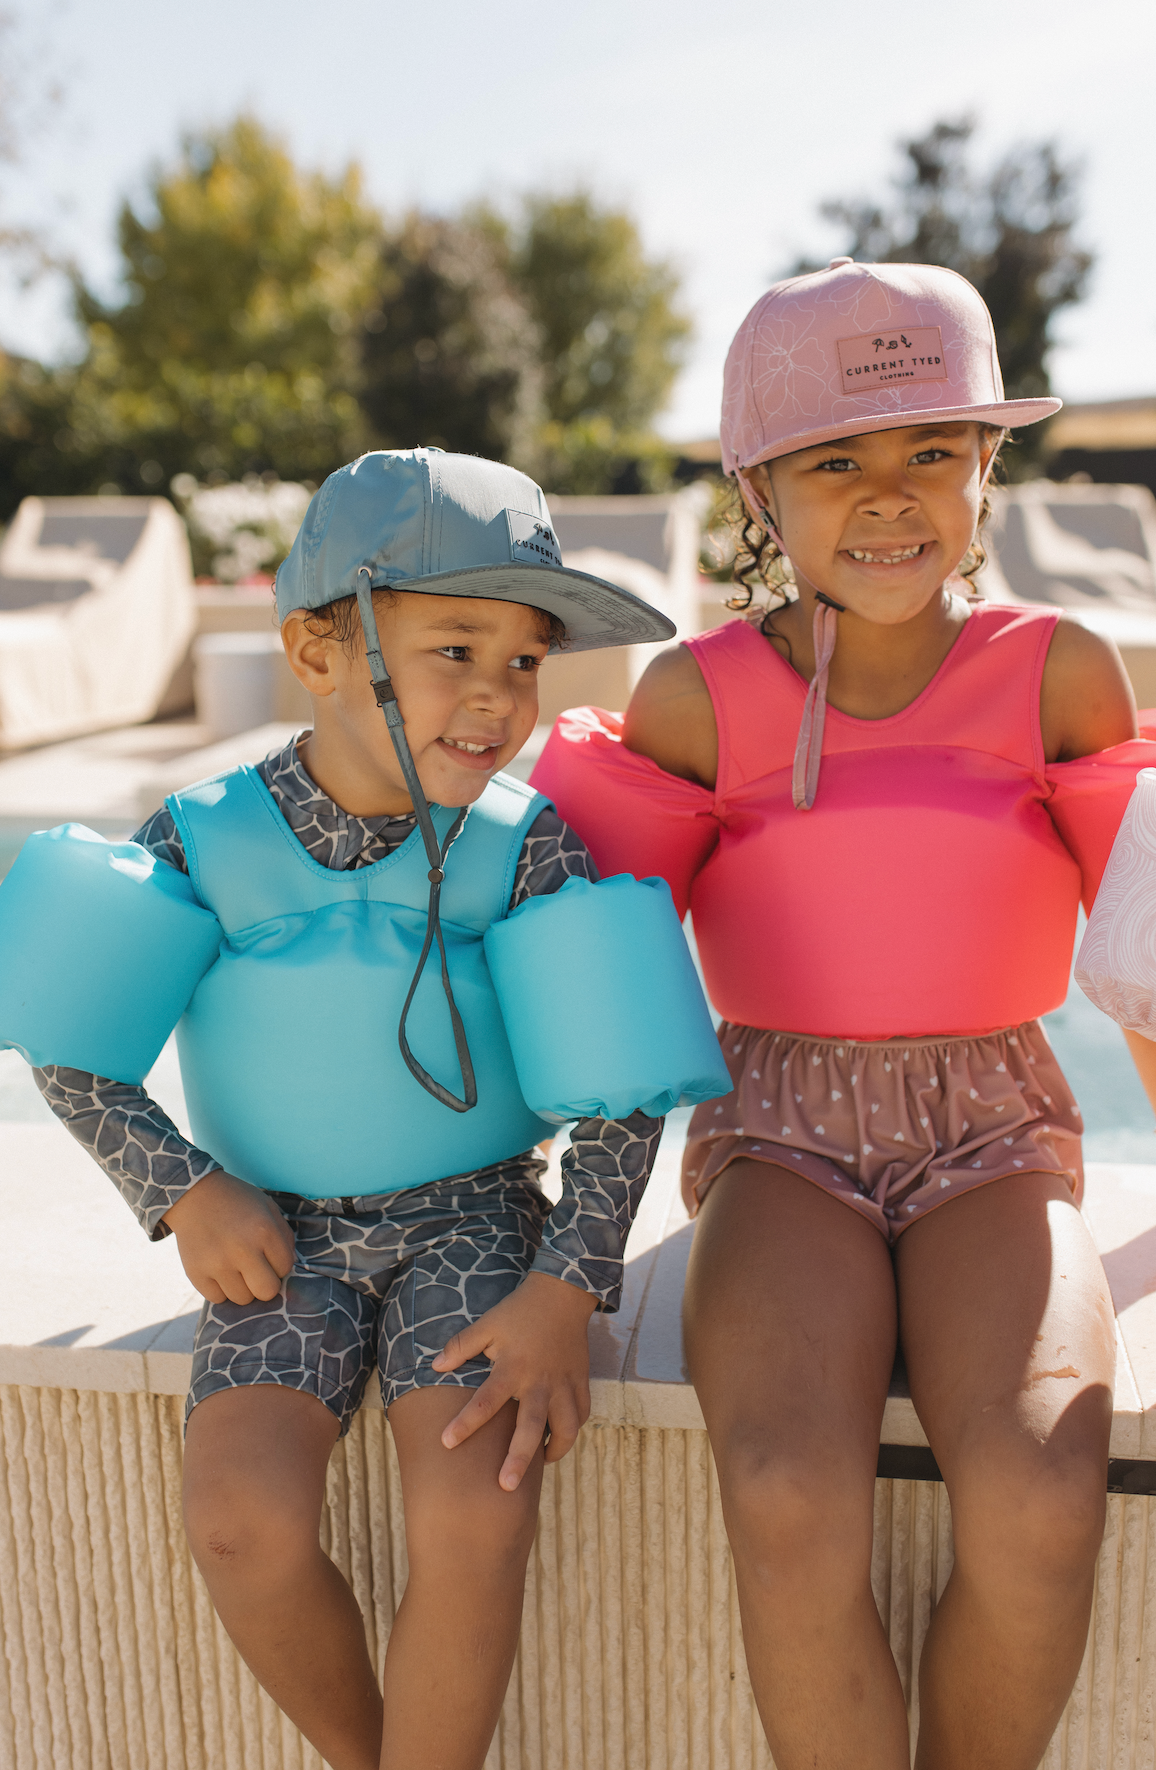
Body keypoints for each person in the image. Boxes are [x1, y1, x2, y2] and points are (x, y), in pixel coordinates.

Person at [530, 261, 1156, 1769]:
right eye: (836, 460)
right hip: (779, 1134)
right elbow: (598, 997)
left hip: (996, 1133)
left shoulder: (1053, 673)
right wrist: (553, 1257)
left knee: (1036, 1485)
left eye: (931, 452)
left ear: (983, 468)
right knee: (778, 1478)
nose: (890, 496)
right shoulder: (692, 697)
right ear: (760, 486)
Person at [0, 448, 726, 1770]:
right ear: (316, 650)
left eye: (526, 660)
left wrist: (570, 1281)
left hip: (473, 1221)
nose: (500, 697)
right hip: (279, 1231)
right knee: (238, 1521)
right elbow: (71, 1043)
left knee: (474, 1512)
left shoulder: (531, 844)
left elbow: (625, 1089)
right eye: (457, 647)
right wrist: (176, 1183)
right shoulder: (205, 835)